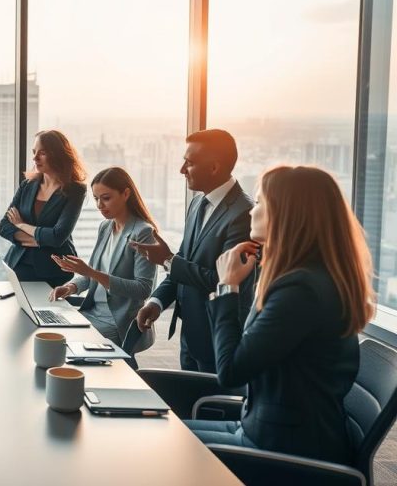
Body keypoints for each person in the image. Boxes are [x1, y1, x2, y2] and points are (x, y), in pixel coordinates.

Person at [185, 165, 374, 465]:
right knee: (158, 434)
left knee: (158, 446)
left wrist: (227, 287)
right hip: (266, 430)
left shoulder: (301, 290)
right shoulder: (306, 277)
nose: (250, 211)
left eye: (260, 203)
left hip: (284, 449)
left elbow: (231, 371)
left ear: (286, 215)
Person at [132, 129, 253, 373]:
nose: (182, 169)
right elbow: (185, 263)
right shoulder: (198, 202)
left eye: (189, 162)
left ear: (215, 167)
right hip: (191, 337)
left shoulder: (244, 214)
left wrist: (167, 260)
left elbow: (222, 281)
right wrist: (157, 301)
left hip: (218, 341)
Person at [49, 167, 158, 358]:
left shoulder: (143, 232)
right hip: (93, 312)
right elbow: (90, 275)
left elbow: (143, 289)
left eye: (106, 198)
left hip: (118, 321)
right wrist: (71, 287)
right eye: (96, 198)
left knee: (66, 345)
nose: (100, 205)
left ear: (125, 193)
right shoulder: (106, 227)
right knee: (49, 334)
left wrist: (91, 273)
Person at [0, 130, 87, 287]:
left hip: (53, 270)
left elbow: (57, 236)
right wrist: (40, 241)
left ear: (57, 155)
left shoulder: (75, 190)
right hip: (17, 265)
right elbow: (4, 226)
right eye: (34, 152)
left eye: (42, 153)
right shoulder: (27, 185)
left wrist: (21, 225)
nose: (35, 158)